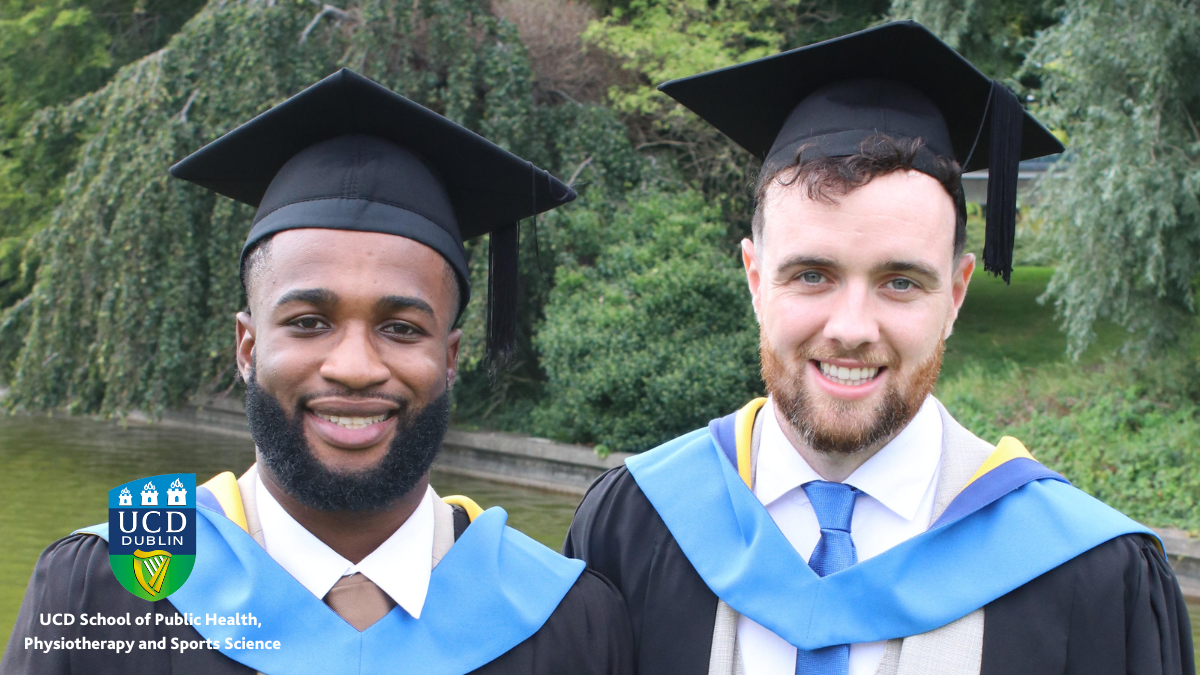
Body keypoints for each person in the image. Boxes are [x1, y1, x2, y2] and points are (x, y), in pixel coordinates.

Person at [564, 21, 1194, 675]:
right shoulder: (633, 526)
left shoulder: (1090, 574)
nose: (852, 326)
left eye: (900, 281)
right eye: (813, 274)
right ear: (755, 279)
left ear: (955, 295)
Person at [4, 69, 634, 675]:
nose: (355, 368)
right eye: (308, 322)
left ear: (449, 359)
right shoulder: (103, 579)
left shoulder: (565, 620)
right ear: (247, 347)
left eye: (402, 328)